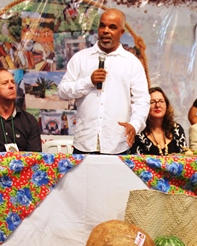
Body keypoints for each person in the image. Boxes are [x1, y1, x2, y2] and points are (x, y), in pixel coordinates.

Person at [58, 8, 150, 154]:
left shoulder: (132, 63)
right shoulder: (81, 58)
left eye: (112, 27)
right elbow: (62, 91)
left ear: (121, 32)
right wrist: (88, 81)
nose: (106, 31)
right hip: (84, 143)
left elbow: (142, 100)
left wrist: (135, 125)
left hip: (118, 144)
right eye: (102, 26)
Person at [130, 86, 187, 155]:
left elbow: (184, 157)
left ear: (166, 105)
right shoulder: (138, 133)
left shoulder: (177, 129)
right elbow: (135, 160)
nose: (157, 105)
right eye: (152, 102)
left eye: (161, 101)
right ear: (145, 106)